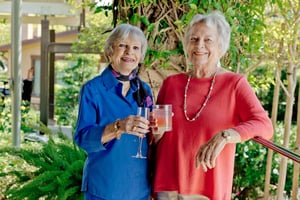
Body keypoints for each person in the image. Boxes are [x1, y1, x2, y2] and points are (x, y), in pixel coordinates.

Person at [151, 11, 274, 200]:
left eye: (208, 40)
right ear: (187, 45)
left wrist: (226, 136)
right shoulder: (171, 84)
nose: (199, 45)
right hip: (167, 188)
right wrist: (154, 133)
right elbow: (156, 135)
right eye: (194, 39)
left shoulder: (235, 84)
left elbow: (264, 125)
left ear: (221, 46)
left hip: (207, 189)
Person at [74, 24, 154, 200]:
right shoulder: (93, 89)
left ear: (140, 56)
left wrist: (159, 131)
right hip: (104, 187)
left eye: (135, 48)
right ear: (110, 51)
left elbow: (151, 139)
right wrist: (118, 127)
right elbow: (83, 139)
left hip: (139, 188)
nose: (129, 52)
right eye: (122, 46)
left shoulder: (145, 90)